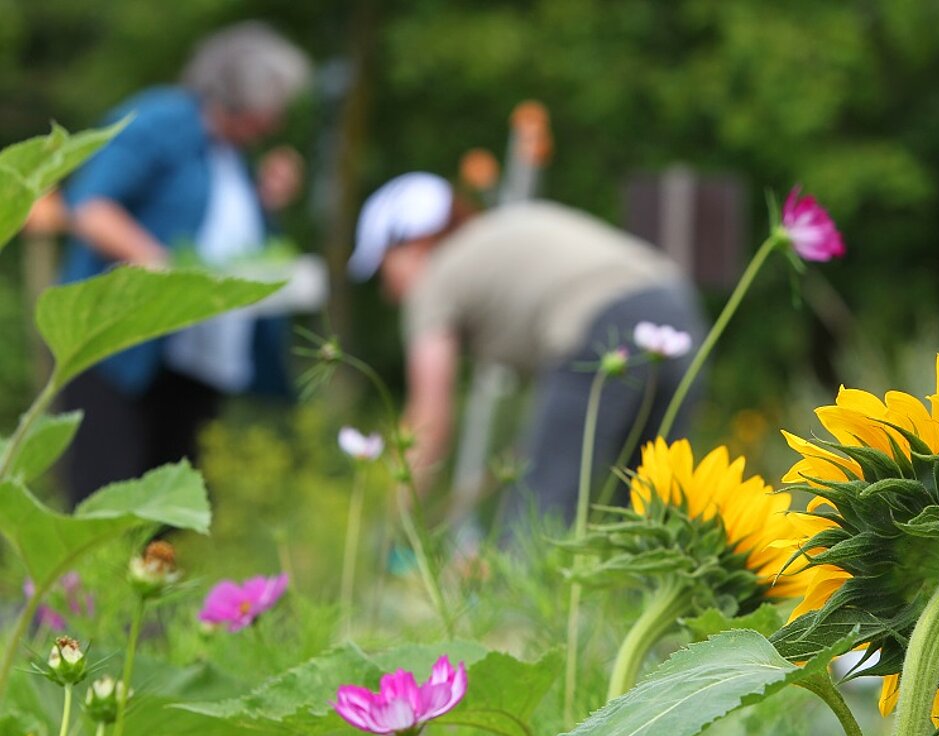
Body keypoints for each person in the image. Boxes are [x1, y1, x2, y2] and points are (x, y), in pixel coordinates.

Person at [349, 174, 707, 526]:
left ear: (413, 242)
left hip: (601, 324)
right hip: (678, 311)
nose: (387, 291)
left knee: (537, 518)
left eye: (383, 269)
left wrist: (390, 524)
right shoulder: (494, 236)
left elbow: (429, 420)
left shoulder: (435, 279)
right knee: (652, 513)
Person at [57, 22, 310, 503]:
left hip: (191, 357)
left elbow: (224, 233)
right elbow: (90, 207)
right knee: (106, 496)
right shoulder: (161, 121)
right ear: (242, 94)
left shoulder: (235, 157)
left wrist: (267, 202)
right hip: (118, 347)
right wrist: (162, 265)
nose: (276, 121)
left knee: (169, 511)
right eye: (273, 104)